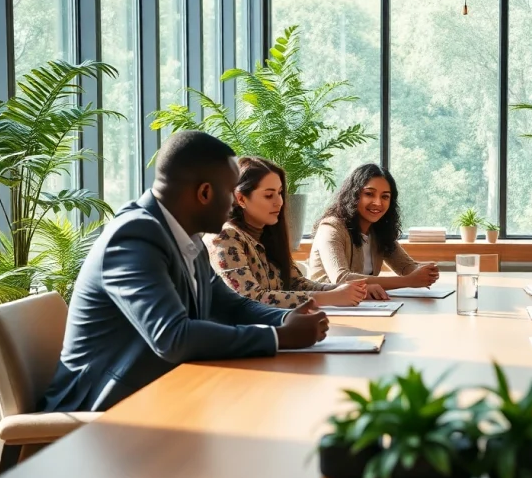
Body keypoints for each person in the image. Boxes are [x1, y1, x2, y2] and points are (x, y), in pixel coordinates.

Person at [39, 131, 329, 413]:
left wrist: (286, 318)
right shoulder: (133, 237)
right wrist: (280, 337)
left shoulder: (189, 239)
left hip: (163, 392)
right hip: (103, 404)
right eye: (230, 192)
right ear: (204, 193)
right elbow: (173, 336)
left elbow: (232, 305)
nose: (233, 204)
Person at [207, 157, 368, 308]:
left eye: (279, 193)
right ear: (241, 199)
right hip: (243, 334)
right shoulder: (224, 236)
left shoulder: (269, 234)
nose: (279, 202)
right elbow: (249, 298)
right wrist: (329, 297)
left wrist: (343, 289)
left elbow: (295, 283)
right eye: (269, 195)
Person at [309, 164, 439, 299]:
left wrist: (426, 271)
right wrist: (409, 281)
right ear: (353, 195)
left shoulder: (378, 230)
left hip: (365, 307)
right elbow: (341, 278)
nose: (378, 202)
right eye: (369, 194)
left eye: (385, 197)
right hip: (326, 308)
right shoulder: (331, 227)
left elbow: (406, 267)